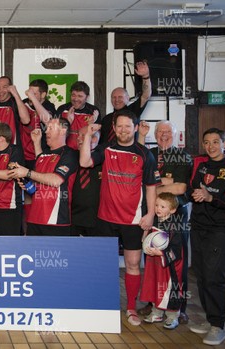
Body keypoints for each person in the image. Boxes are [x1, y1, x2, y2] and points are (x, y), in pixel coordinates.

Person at [79, 110, 160, 326]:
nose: (123, 130)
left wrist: (150, 214)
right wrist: (87, 134)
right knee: (104, 265)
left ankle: (131, 308)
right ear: (114, 129)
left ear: (135, 128)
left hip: (133, 221)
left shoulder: (145, 154)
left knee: (133, 264)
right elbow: (85, 161)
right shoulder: (106, 148)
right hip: (105, 218)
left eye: (127, 126)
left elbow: (152, 187)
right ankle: (105, 305)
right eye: (119, 126)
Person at [138, 120, 192, 324]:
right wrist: (165, 183)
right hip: (155, 213)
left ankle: (179, 308)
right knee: (153, 258)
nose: (163, 135)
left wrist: (153, 189)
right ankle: (155, 304)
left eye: (168, 131)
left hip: (175, 217)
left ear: (175, 134)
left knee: (175, 262)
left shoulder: (182, 156)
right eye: (160, 131)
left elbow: (179, 189)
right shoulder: (151, 153)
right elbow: (144, 180)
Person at [188, 128, 225, 346]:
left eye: (216, 142)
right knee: (201, 274)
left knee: (214, 275)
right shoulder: (199, 162)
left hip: (221, 228)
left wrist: (211, 197)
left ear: (224, 144)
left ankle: (219, 325)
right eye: (207, 142)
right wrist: (196, 194)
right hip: (198, 226)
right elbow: (189, 189)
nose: (211, 146)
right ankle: (210, 320)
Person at [9, 118, 78, 236]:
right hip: (34, 219)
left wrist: (27, 173)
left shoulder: (69, 154)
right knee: (32, 254)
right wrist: (27, 184)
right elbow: (38, 183)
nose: (46, 131)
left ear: (63, 131)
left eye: (51, 128)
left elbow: (56, 180)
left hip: (55, 221)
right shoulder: (43, 155)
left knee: (55, 255)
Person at [140, 193, 185, 330]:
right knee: (154, 285)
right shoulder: (154, 221)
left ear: (172, 210)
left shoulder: (175, 226)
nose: (158, 208)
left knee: (169, 290)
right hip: (155, 264)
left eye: (163, 206)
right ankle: (157, 312)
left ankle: (172, 317)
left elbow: (177, 249)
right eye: (156, 205)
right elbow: (148, 236)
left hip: (169, 267)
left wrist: (161, 253)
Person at [20, 80, 55, 230]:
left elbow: (47, 121)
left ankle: (40, 226)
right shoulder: (23, 104)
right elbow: (24, 119)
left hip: (43, 156)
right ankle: (28, 231)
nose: (30, 95)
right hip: (25, 156)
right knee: (27, 193)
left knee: (40, 192)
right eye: (29, 91)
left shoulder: (49, 107)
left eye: (35, 93)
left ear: (43, 95)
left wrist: (33, 99)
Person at [100, 61, 151, 144]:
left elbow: (146, 95)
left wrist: (145, 76)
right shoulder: (106, 119)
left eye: (120, 97)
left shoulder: (133, 111)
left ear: (128, 98)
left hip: (129, 154)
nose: (117, 100)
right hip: (108, 155)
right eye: (114, 97)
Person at [71, 126, 102, 237]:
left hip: (97, 219)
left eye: (83, 136)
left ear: (94, 139)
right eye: (78, 135)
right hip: (73, 218)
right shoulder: (70, 157)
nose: (78, 138)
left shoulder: (104, 157)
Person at [56, 81, 100, 150]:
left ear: (87, 97)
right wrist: (67, 122)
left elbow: (96, 139)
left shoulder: (93, 111)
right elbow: (56, 134)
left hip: (85, 151)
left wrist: (90, 126)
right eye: (73, 95)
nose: (76, 99)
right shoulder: (62, 109)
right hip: (65, 152)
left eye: (80, 96)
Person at [0, 76, 29, 146]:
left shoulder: (16, 103)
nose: (0, 90)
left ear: (10, 88)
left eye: (4, 87)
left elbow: (26, 120)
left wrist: (15, 94)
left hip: (13, 149)